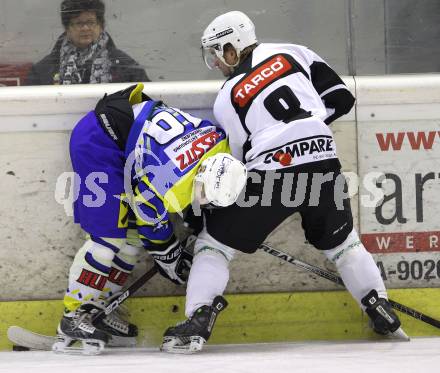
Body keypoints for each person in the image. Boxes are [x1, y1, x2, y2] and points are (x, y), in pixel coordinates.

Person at [161, 10, 405, 353]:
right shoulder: (294, 52)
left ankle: (199, 318)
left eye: (216, 53)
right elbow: (341, 98)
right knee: (343, 244)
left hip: (272, 173)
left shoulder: (227, 97)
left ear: (232, 48)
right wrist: (310, 130)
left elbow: (240, 165)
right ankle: (378, 305)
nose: (216, 63)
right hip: (323, 161)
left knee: (213, 246)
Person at [52, 82, 247, 355]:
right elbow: (152, 229)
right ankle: (73, 315)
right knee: (107, 239)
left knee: (130, 240)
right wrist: (170, 257)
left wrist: (189, 227)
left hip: (130, 136)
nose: (202, 200)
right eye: (203, 194)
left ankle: (99, 309)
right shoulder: (169, 181)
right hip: (99, 139)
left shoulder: (220, 144)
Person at [25, 0, 149, 85]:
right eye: (79, 23)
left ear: (101, 26)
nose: (85, 28)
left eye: (90, 22)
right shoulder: (43, 70)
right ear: (67, 28)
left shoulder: (125, 66)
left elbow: (148, 105)